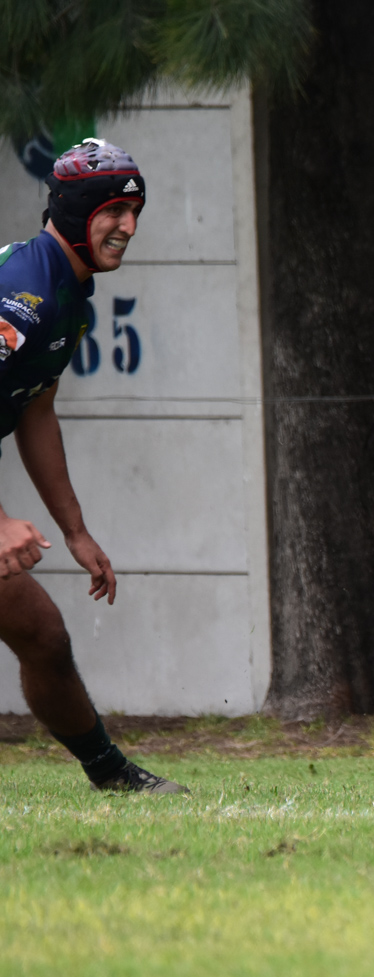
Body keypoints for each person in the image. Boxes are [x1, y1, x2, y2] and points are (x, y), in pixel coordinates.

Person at [0, 139, 185, 794]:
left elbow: (35, 407)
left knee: (42, 634)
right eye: (114, 211)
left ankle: (111, 776)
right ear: (76, 212)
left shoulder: (69, 295)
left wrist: (73, 530)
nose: (130, 227)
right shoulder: (25, 296)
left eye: (136, 211)